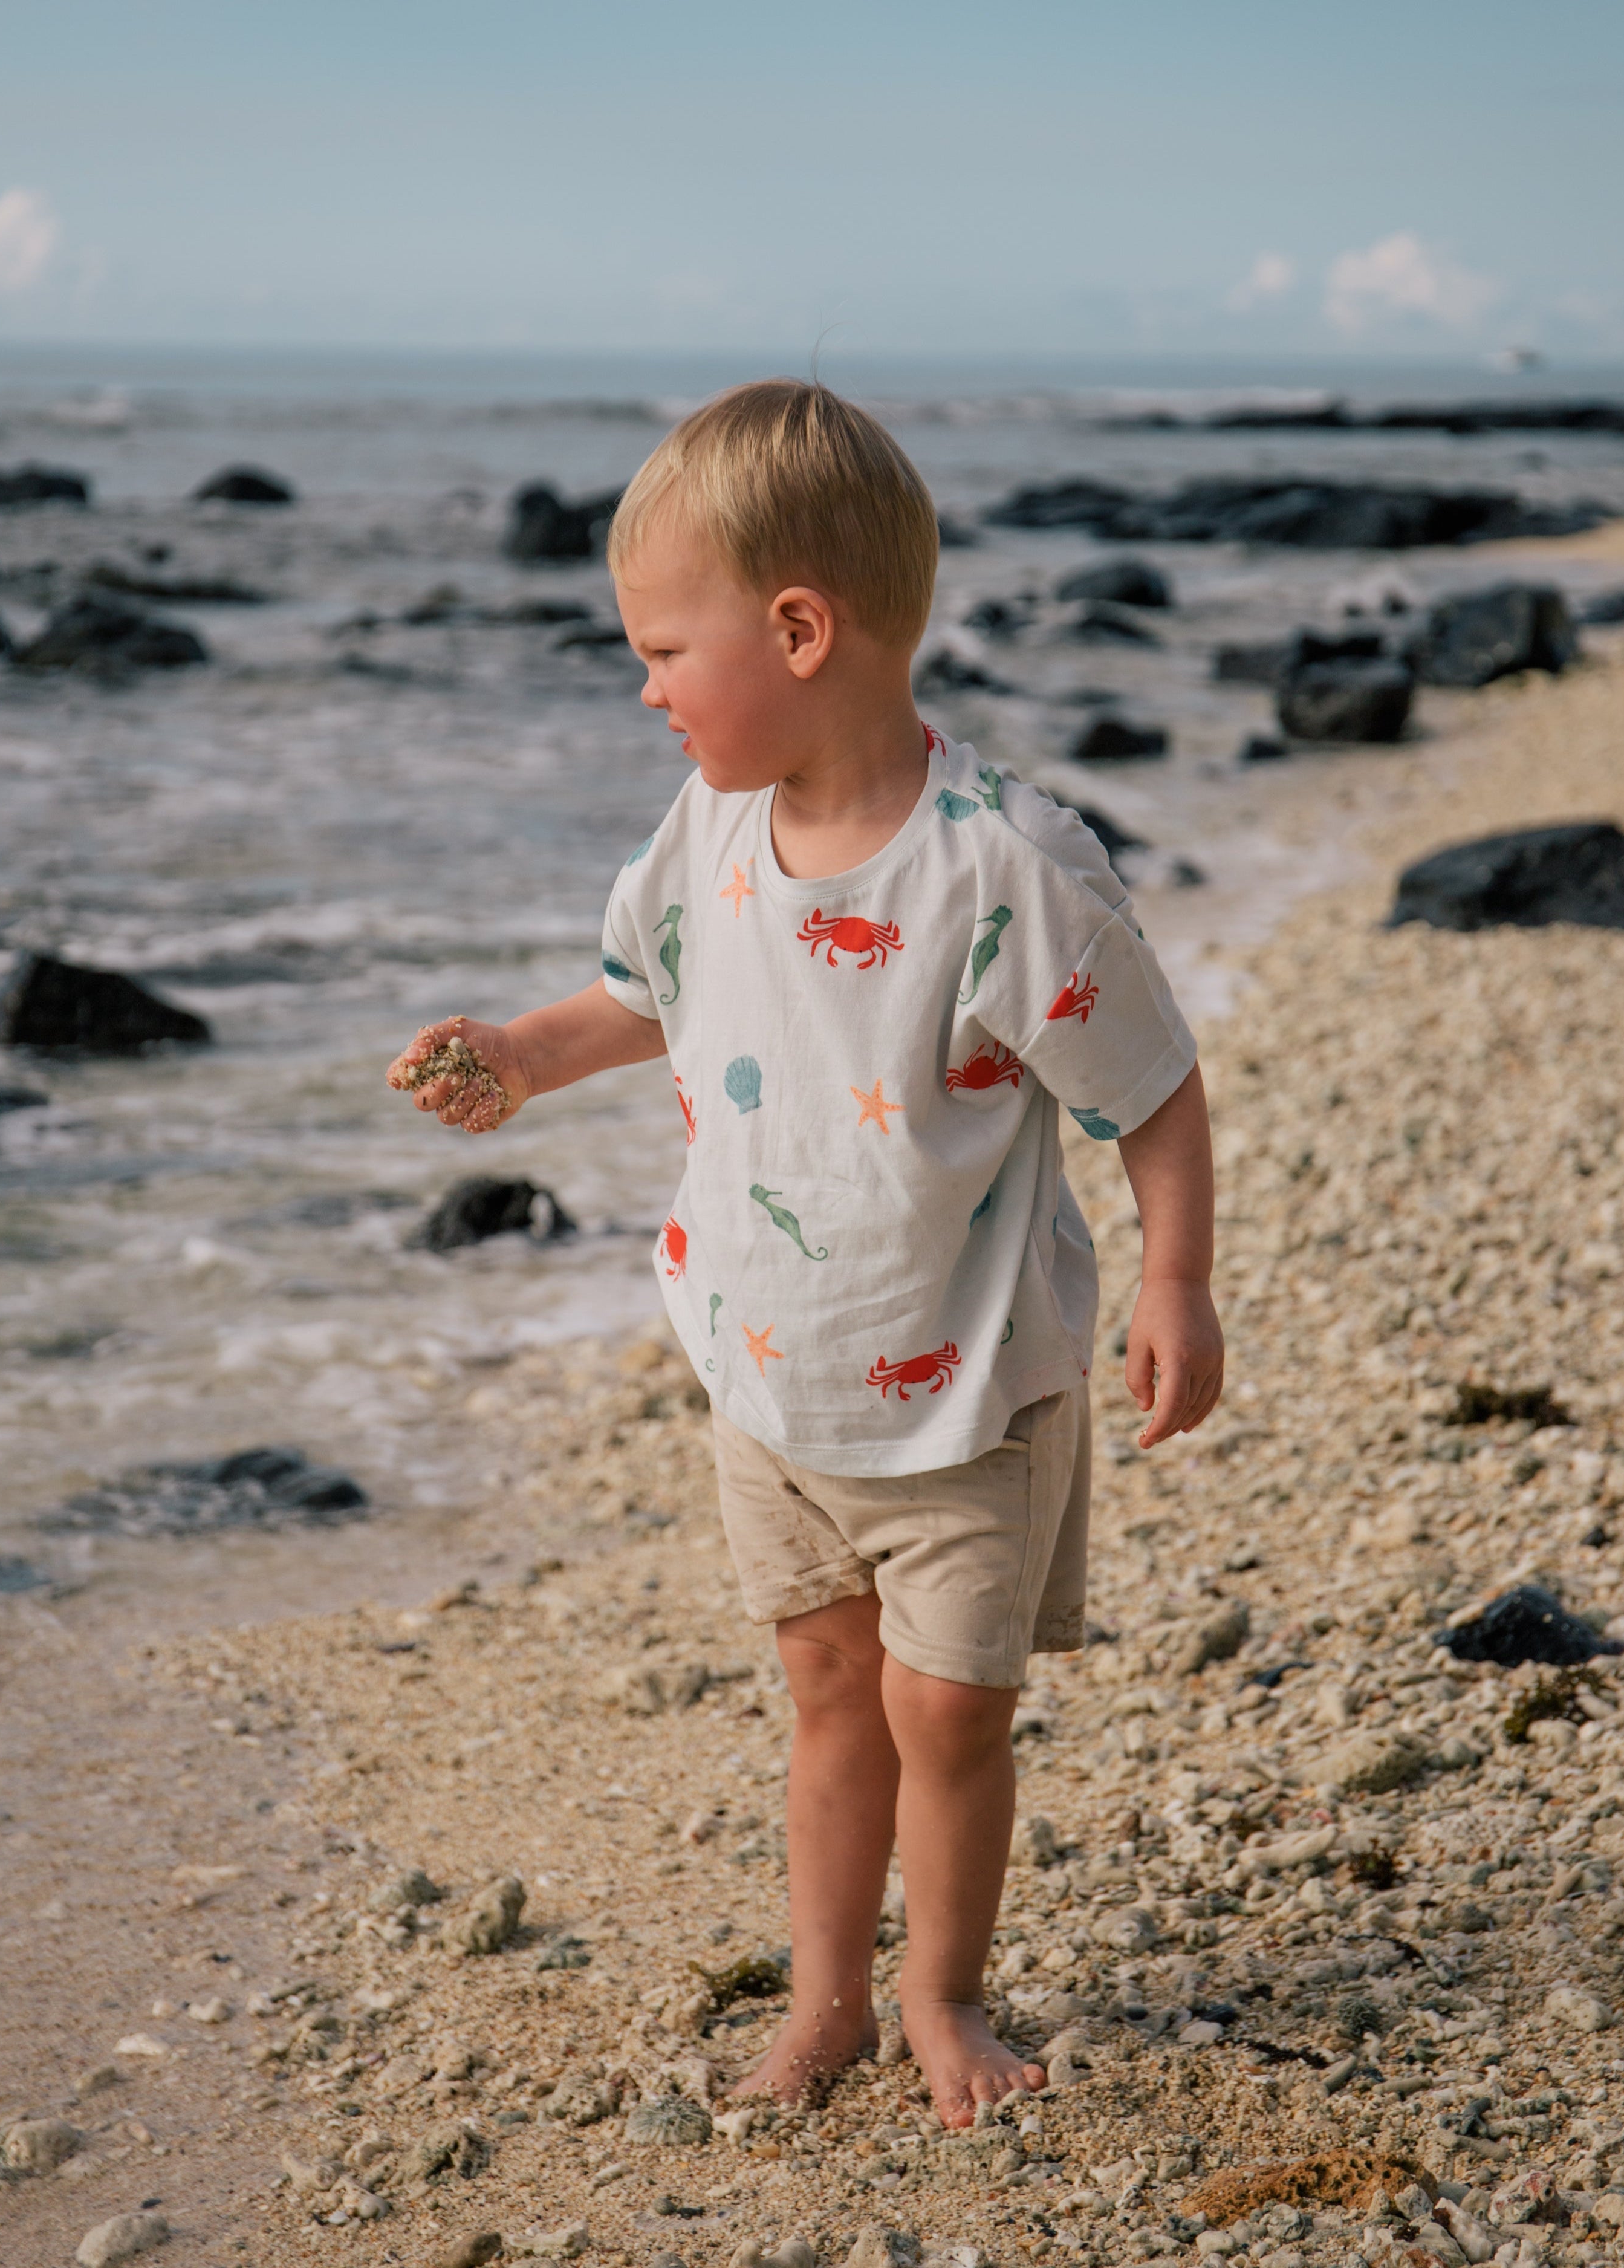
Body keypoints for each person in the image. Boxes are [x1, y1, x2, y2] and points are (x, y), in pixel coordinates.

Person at [386, 379, 1223, 2125]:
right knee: (829, 1693)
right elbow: (644, 996)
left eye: (665, 648)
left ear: (797, 628)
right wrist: (525, 1060)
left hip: (968, 1391)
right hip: (766, 1376)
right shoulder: (708, 834)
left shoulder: (1007, 866)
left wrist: (1173, 1281)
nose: (647, 686)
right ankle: (828, 1998)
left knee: (950, 1716)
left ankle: (947, 1998)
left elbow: (1147, 1088)